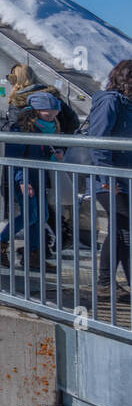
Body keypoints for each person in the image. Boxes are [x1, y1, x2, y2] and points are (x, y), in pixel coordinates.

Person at [0, 92, 66, 270]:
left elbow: (42, 151)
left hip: (39, 176)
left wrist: (54, 155)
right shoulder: (22, 128)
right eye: (48, 114)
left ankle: (33, 255)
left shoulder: (47, 127)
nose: (53, 117)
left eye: (55, 113)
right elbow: (15, 156)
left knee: (42, 215)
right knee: (31, 215)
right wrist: (22, 180)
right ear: (36, 111)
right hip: (22, 176)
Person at [91, 59, 132, 303]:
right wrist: (107, 176)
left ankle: (105, 283)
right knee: (124, 228)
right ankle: (105, 283)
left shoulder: (127, 103)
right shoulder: (110, 101)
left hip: (124, 176)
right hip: (108, 178)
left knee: (121, 229)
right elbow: (98, 141)